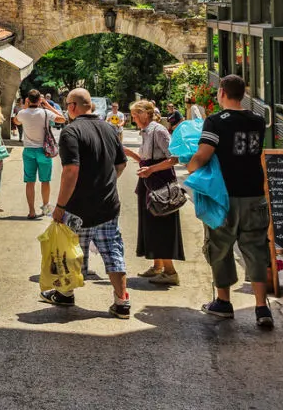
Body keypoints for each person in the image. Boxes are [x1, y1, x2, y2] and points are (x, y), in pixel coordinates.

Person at [187, 74, 273, 329]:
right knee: (256, 248)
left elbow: (204, 155)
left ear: (222, 92)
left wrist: (190, 167)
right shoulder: (258, 121)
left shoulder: (215, 122)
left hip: (224, 194)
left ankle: (223, 301)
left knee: (220, 246)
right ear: (244, 93)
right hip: (254, 194)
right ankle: (261, 307)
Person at [44, 88, 130, 318]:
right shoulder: (110, 129)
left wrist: (60, 206)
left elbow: (71, 170)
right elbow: (121, 165)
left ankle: (65, 294)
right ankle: (122, 301)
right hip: (108, 205)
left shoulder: (71, 132)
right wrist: (106, 184)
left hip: (77, 208)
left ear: (72, 107)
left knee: (70, 252)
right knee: (113, 251)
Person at [127, 100, 184, 285]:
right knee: (151, 223)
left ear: (145, 114)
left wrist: (151, 170)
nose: (133, 119)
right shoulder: (146, 131)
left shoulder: (158, 130)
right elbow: (146, 159)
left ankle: (170, 272)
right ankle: (158, 265)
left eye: (135, 115)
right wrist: (130, 154)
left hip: (160, 184)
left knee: (160, 224)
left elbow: (173, 158)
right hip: (149, 181)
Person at [14, 89, 66, 219]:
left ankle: (31, 211)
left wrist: (25, 106)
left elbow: (16, 121)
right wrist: (47, 104)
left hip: (28, 151)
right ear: (39, 100)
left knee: (30, 182)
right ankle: (45, 208)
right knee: (45, 181)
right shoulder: (45, 112)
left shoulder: (22, 113)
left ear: (28, 100)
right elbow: (62, 119)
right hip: (44, 151)